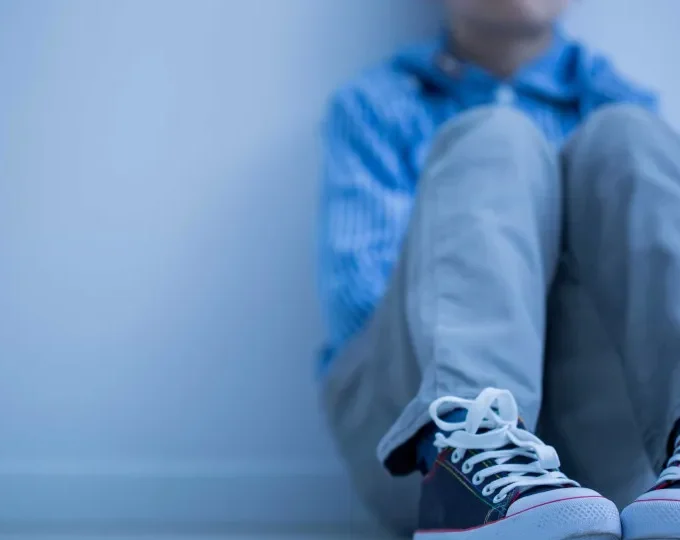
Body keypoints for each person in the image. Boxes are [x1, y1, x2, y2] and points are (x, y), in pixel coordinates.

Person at [317, 0, 680, 538]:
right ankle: (468, 457)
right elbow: (358, 307)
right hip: (407, 427)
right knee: (494, 138)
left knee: (629, 136)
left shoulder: (623, 102)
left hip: (602, 426)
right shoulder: (378, 103)